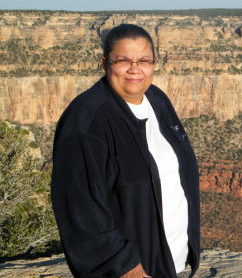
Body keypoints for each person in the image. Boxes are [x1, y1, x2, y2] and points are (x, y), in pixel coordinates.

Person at [51, 24, 200, 278]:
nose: (135, 69)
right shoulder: (86, 121)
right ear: (104, 63)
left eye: (144, 60)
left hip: (169, 263)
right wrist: (125, 268)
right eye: (123, 61)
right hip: (131, 271)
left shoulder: (157, 100)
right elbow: (81, 209)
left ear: (154, 63)